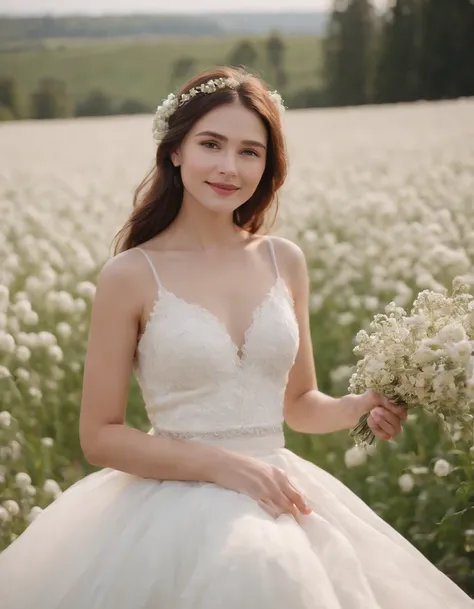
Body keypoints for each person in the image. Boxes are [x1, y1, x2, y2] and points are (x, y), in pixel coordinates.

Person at [0, 66, 472, 609]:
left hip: (278, 490)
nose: (229, 167)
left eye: (250, 151)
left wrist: (356, 407)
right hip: (171, 509)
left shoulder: (283, 259)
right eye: (211, 144)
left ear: (268, 163)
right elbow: (99, 436)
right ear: (175, 150)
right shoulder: (130, 275)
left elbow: (297, 404)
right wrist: (223, 466)